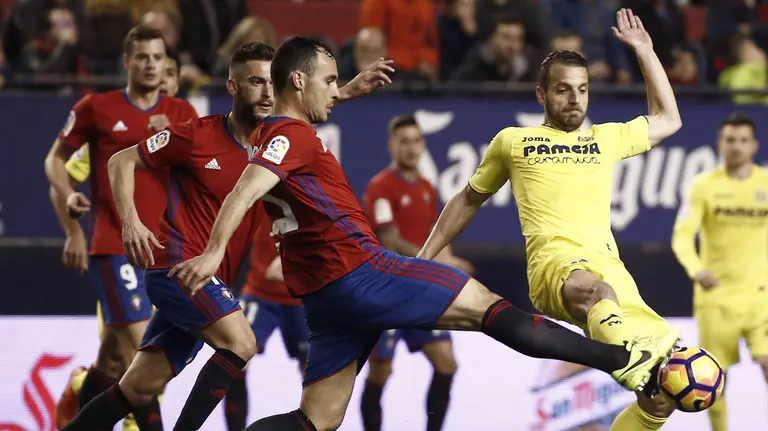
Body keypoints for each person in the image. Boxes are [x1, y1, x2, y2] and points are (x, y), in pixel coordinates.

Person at [170, 36, 680, 431]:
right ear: (301, 82)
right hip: (360, 270)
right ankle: (625, 360)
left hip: (323, 293)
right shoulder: (294, 137)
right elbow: (246, 188)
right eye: (329, 80)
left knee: (316, 419)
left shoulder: (268, 132)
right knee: (490, 309)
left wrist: (343, 93)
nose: (336, 87)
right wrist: (216, 252)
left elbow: (289, 127)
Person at [59, 41, 394, 430]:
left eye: (272, 82)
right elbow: (121, 160)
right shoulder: (196, 135)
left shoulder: (273, 144)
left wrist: (347, 89)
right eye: (255, 82)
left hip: (211, 279)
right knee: (241, 343)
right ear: (233, 87)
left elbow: (307, 105)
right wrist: (130, 220)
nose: (267, 92)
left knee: (137, 387)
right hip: (178, 267)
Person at [419, 9, 685, 431]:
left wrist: (645, 52)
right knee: (601, 298)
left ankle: (639, 382)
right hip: (555, 268)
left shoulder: (606, 138)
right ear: (541, 95)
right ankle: (628, 363)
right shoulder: (514, 142)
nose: (575, 99)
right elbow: (468, 200)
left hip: (611, 272)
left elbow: (669, 119)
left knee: (660, 400)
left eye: (582, 90)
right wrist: (424, 257)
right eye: (563, 90)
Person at [44, 25, 198, 430]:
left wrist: (172, 141)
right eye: (142, 57)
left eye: (157, 57)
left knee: (113, 361)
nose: (150, 64)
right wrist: (70, 207)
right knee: (141, 355)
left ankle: (77, 404)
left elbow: (199, 175)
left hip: (164, 252)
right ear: (127, 61)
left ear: (167, 63)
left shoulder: (182, 115)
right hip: (114, 246)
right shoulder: (97, 107)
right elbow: (55, 160)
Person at [360, 114, 472, 431]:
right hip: (387, 292)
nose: (411, 148)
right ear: (391, 146)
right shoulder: (380, 187)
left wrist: (452, 262)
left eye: (416, 140)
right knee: (381, 372)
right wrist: (437, 261)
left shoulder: (425, 187)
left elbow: (436, 236)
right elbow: (389, 240)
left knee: (446, 363)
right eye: (404, 141)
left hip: (419, 292)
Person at [672, 113, 768, 431]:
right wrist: (696, 269)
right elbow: (682, 236)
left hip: (760, 297)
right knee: (714, 379)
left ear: (754, 145)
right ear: (720, 143)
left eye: (743, 140)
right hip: (716, 298)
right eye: (730, 140)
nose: (736, 147)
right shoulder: (703, 186)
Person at [225, 221, 309, 430]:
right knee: (236, 360)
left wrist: (294, 259)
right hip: (260, 291)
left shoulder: (315, 196)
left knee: (314, 371)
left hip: (303, 297)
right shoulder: (259, 194)